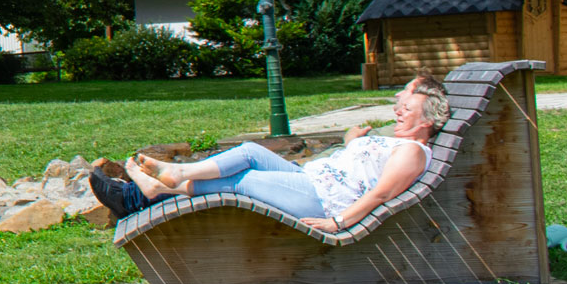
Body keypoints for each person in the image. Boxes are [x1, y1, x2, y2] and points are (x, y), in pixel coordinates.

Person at [87, 74, 448, 232]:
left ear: (427, 116)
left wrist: (338, 223)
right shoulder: (397, 142)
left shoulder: (413, 152)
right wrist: (355, 142)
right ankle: (165, 183)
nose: (398, 106)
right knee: (248, 152)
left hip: (323, 201)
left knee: (246, 180)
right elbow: (362, 169)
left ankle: (148, 192)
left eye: (407, 102)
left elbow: (381, 192)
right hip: (312, 179)